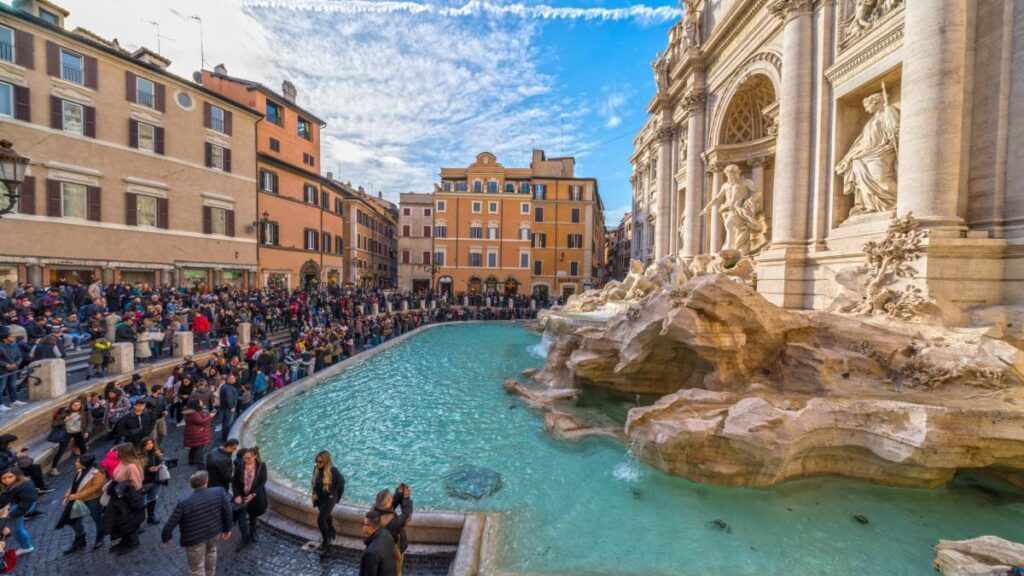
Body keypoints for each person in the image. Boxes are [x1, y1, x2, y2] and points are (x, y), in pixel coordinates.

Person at [161, 471, 232, 576]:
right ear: (206, 482)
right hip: (214, 533)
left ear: (192, 486)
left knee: (197, 568)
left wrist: (165, 538)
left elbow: (170, 524)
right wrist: (227, 529)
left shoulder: (184, 504)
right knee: (211, 553)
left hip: (194, 539)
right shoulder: (219, 492)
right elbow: (228, 511)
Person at [55, 454, 106, 554]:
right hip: (78, 498)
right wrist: (68, 494)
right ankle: (80, 539)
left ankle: (100, 536)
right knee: (74, 519)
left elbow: (95, 488)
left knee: (97, 517)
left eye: (77, 461)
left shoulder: (97, 473)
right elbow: (75, 484)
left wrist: (76, 495)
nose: (75, 463)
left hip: (93, 499)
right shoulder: (80, 471)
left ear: (83, 465)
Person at [104, 444, 145, 553]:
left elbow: (136, 485)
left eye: (117, 451)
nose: (115, 453)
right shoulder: (123, 463)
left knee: (126, 521)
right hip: (120, 497)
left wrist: (123, 488)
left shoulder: (132, 466)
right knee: (120, 521)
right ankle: (125, 541)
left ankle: (132, 542)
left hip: (127, 499)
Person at [230, 447, 267, 549]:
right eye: (244, 458)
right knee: (241, 519)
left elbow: (262, 482)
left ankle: (253, 532)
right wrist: (237, 495)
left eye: (248, 458)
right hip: (242, 497)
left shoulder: (261, 466)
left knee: (253, 516)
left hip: (255, 497)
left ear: (255, 456)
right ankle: (245, 537)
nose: (246, 460)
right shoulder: (240, 466)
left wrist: (253, 494)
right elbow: (235, 482)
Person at [311, 450, 345, 558]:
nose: (318, 464)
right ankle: (331, 530)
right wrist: (314, 493)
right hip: (320, 498)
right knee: (326, 516)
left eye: (320, 462)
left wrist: (333, 494)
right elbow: (315, 483)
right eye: (317, 461)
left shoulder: (333, 471)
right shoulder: (316, 469)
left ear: (326, 462)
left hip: (329, 499)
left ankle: (326, 543)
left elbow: (342, 482)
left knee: (321, 520)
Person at [374, 484, 414, 575]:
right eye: (391, 498)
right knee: (396, 571)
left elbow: (390, 506)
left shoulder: (375, 509)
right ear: (386, 502)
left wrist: (399, 494)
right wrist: (407, 498)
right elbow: (406, 515)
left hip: (381, 549)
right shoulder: (390, 522)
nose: (392, 499)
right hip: (393, 552)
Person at [48, 397, 92, 476]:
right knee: (61, 450)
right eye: (74, 405)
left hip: (79, 433)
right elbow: (54, 424)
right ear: (71, 405)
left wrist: (86, 431)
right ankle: (53, 468)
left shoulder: (85, 412)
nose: (76, 406)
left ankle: (85, 464)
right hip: (67, 433)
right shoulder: (65, 412)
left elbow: (89, 422)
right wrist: (64, 420)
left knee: (83, 448)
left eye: (78, 405)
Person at [0, 468, 37, 555]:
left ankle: (27, 547)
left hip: (18, 509)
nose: (7, 480)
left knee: (16, 530)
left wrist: (12, 514)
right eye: (4, 478)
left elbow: (26, 503)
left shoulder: (25, 485)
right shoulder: (13, 485)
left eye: (10, 477)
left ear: (17, 475)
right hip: (16, 507)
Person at [359, 510, 397, 576]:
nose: (362, 526)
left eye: (363, 523)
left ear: (370, 527)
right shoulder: (387, 533)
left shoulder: (371, 552)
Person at [140, 438, 164, 525]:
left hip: (155, 480)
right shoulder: (140, 456)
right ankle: (141, 521)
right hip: (144, 482)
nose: (150, 445)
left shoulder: (157, 453)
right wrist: (148, 469)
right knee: (142, 502)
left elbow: (161, 463)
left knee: (152, 498)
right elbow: (138, 470)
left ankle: (151, 515)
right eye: (147, 444)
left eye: (151, 443)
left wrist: (159, 467)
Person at [184, 403, 215, 469]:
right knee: (200, 450)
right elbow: (202, 421)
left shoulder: (191, 413)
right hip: (198, 433)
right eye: (200, 403)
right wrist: (210, 416)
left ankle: (192, 460)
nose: (201, 404)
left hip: (194, 433)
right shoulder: (195, 414)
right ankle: (201, 466)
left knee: (194, 447)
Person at [0, 328, 25, 411]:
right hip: (3, 369)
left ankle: (14, 401)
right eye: (11, 337)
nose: (13, 338)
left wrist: (16, 364)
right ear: (5, 338)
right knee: (1, 387)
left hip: (14, 368)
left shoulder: (15, 345)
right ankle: (1, 405)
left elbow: (20, 356)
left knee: (13, 385)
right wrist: (6, 365)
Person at [217, 377, 239, 442]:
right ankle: (226, 438)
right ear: (228, 380)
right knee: (227, 423)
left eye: (234, 379)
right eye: (232, 379)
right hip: (228, 409)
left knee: (225, 423)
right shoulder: (228, 388)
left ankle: (224, 437)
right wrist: (231, 407)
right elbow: (228, 398)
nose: (234, 380)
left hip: (225, 408)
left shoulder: (225, 386)